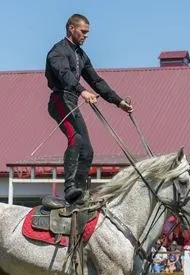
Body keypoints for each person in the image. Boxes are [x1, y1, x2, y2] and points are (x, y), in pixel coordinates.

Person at [45, 14, 133, 204]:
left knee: (87, 151)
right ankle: (69, 189)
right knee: (75, 139)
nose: (86, 36)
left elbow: (96, 80)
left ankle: (80, 194)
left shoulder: (81, 55)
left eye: (87, 33)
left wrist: (118, 102)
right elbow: (64, 74)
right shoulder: (57, 51)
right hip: (59, 100)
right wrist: (82, 91)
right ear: (71, 28)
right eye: (83, 31)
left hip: (72, 100)